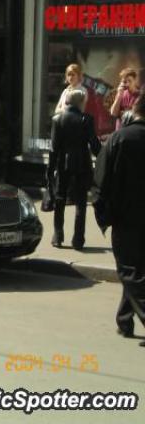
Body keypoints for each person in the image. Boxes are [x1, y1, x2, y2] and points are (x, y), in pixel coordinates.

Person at [93, 92, 145, 346]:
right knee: (137, 268)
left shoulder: (119, 138)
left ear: (134, 111)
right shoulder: (121, 138)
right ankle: (124, 320)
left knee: (129, 269)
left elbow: (101, 181)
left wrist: (103, 214)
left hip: (127, 216)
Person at [47, 89, 101, 249]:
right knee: (81, 202)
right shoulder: (86, 119)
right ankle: (78, 240)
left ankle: (57, 236)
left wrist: (50, 170)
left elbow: (53, 148)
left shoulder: (58, 119)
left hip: (63, 164)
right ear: (80, 102)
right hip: (82, 164)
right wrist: (105, 156)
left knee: (60, 199)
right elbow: (94, 145)